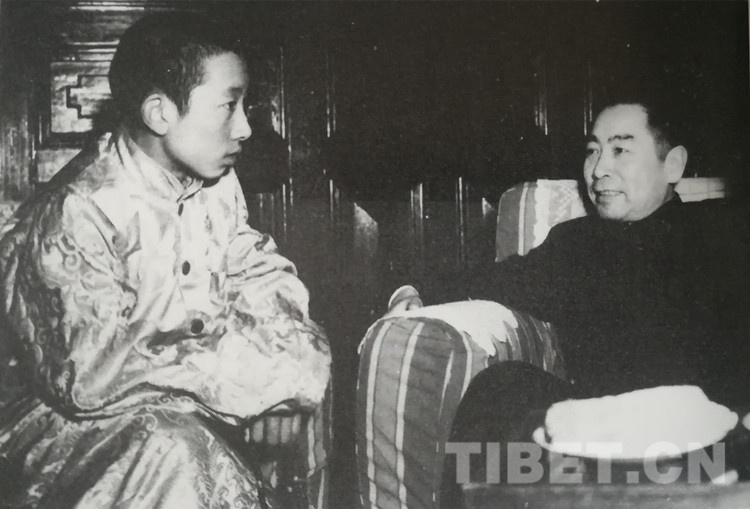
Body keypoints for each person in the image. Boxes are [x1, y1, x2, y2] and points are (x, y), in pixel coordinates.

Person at [0, 13, 330, 509]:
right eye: (229, 106)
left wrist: (284, 382)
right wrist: (254, 387)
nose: (244, 128)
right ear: (160, 113)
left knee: (304, 391)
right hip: (67, 423)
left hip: (182, 398)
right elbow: (93, 373)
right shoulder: (79, 208)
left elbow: (261, 274)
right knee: (176, 454)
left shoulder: (217, 184)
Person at [384, 97, 750, 504]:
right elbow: (495, 279)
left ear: (673, 165)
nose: (599, 169)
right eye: (592, 151)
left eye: (620, 150)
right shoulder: (578, 244)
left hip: (712, 443)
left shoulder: (721, 232)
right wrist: (415, 290)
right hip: (598, 441)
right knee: (503, 386)